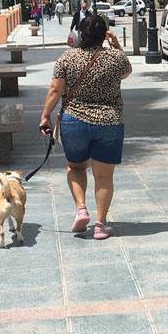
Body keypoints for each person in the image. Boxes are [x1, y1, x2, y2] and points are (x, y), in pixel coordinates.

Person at [41, 17, 131, 240]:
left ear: (81, 34)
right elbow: (127, 72)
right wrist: (116, 45)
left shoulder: (67, 57)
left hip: (75, 122)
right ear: (104, 35)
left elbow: (55, 90)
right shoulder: (115, 58)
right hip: (109, 122)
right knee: (104, 177)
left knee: (76, 168)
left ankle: (81, 209)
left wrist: (45, 116)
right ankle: (100, 225)